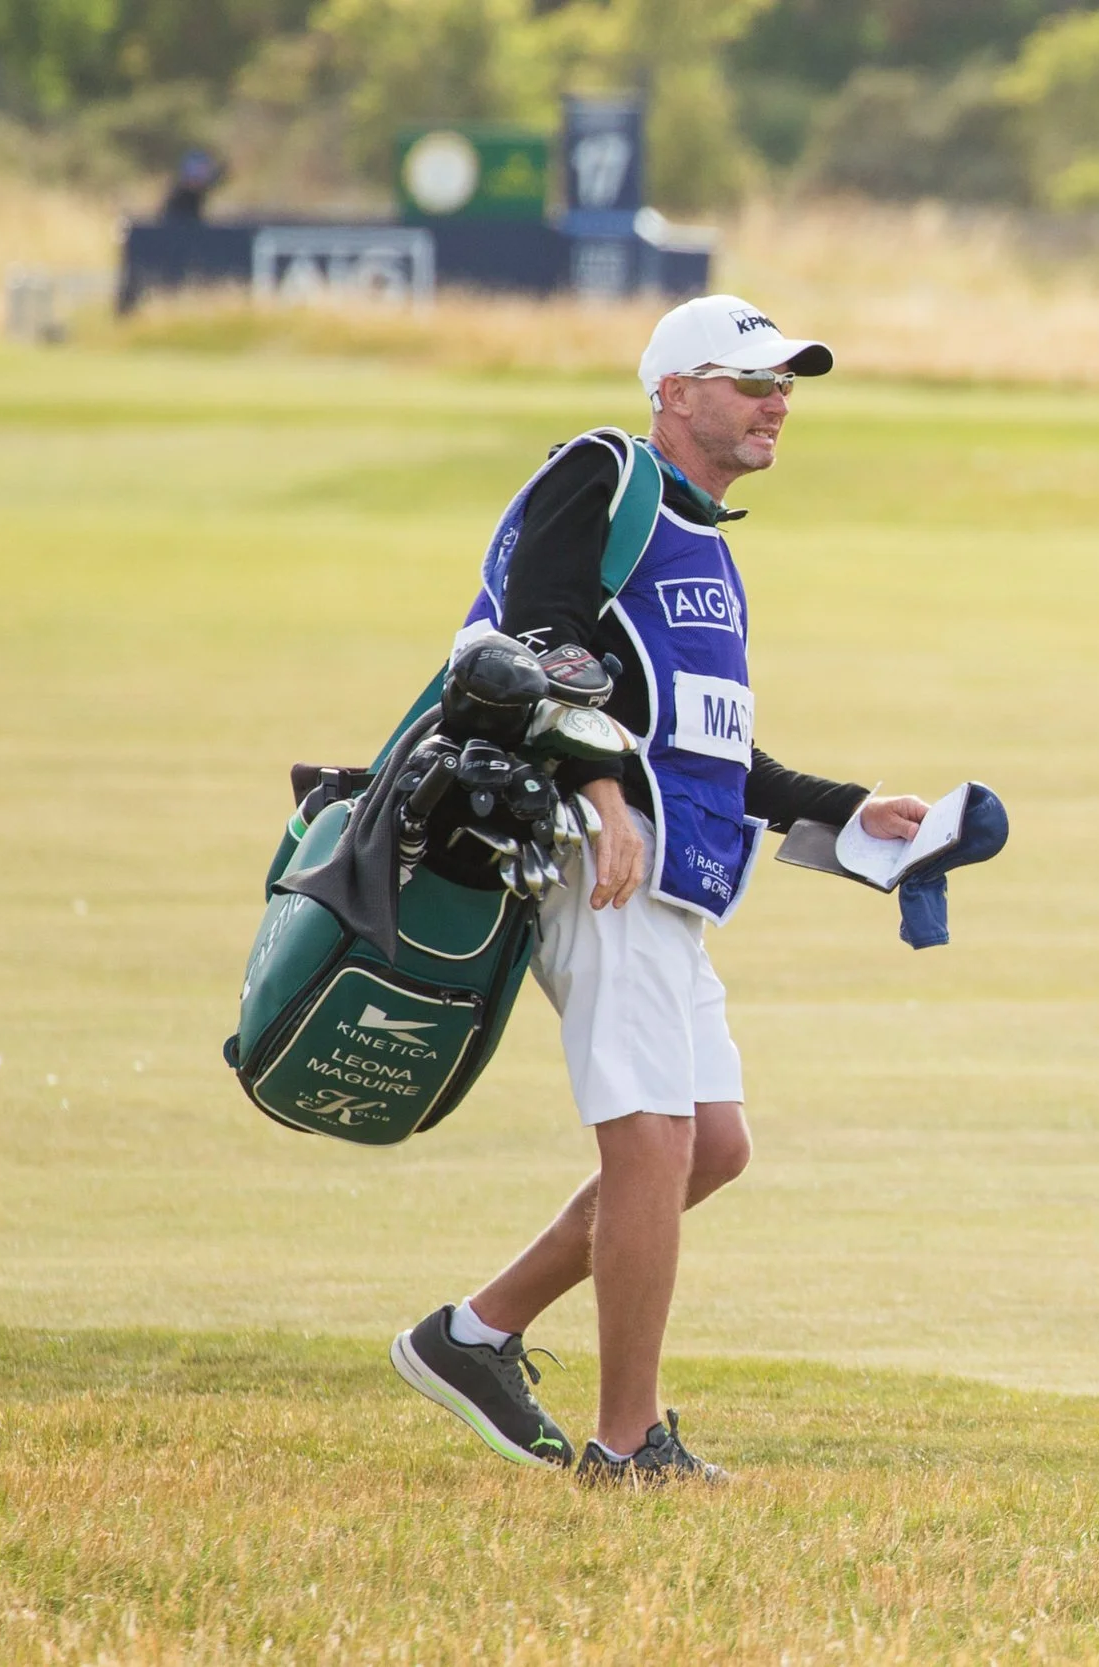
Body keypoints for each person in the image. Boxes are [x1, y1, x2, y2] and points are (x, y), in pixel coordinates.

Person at [388, 294, 931, 1486]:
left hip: (671, 872)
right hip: (595, 857)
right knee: (650, 1142)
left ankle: (471, 1334)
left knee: (711, 1146)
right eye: (750, 381)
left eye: (786, 383)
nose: (775, 401)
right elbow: (532, 643)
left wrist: (840, 807)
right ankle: (627, 1444)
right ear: (675, 392)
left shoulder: (703, 539)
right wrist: (601, 791)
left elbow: (713, 750)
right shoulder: (603, 472)